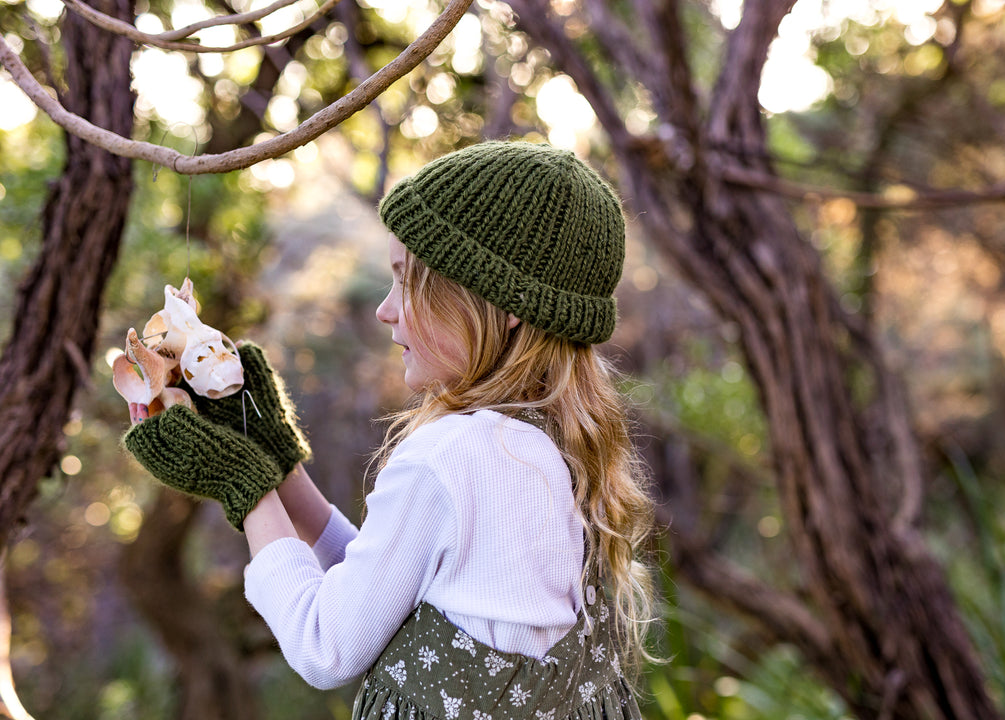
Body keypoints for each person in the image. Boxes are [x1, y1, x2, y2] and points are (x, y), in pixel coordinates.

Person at [123, 140, 655, 720]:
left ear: (503, 305)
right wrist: (281, 469)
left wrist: (244, 486)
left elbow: (325, 644)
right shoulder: (550, 442)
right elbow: (384, 585)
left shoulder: (454, 453)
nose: (385, 308)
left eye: (408, 282)